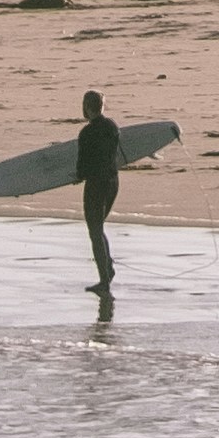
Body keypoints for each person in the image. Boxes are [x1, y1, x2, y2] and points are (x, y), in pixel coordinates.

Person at [78, 85, 121, 313]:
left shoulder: (87, 133)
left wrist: (76, 177)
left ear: (87, 108)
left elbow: (82, 167)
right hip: (113, 183)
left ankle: (104, 281)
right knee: (98, 227)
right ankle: (108, 269)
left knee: (94, 231)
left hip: (95, 185)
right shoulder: (112, 126)